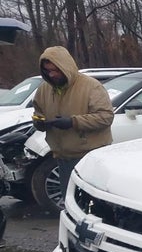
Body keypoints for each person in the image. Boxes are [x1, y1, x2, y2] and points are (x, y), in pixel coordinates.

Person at [31, 46, 114, 205]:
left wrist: (73, 122)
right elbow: (38, 112)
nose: (52, 75)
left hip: (90, 157)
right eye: (47, 71)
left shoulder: (91, 86)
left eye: (55, 70)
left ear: (65, 66)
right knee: (71, 204)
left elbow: (106, 117)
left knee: (94, 206)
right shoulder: (44, 90)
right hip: (63, 158)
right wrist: (39, 122)